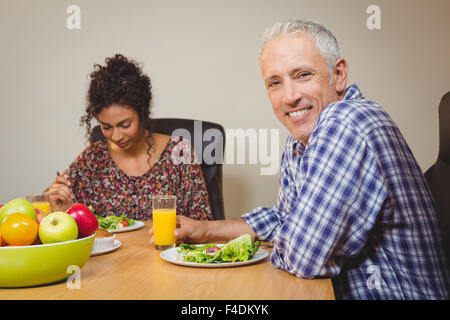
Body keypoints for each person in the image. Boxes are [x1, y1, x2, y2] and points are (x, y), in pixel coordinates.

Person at [150, 20, 450, 299]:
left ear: (339, 74)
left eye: (302, 75)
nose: (289, 96)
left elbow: (304, 257)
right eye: (275, 83)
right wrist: (206, 230)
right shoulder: (301, 138)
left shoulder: (346, 121)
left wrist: (295, 235)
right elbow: (286, 217)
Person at [48, 54, 212, 221]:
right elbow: (59, 220)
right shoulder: (93, 158)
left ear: (142, 114)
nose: (116, 136)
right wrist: (60, 207)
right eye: (106, 127)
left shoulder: (180, 152)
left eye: (125, 125)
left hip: (164, 247)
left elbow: (203, 224)